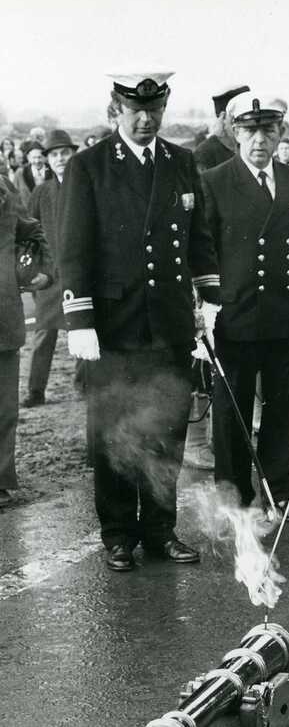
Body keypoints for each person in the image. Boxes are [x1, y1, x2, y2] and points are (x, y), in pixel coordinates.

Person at [58, 70, 221, 572]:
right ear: (117, 110)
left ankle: (159, 529)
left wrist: (209, 299)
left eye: (155, 111)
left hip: (168, 321)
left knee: (167, 430)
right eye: (136, 111)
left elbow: (199, 238)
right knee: (113, 431)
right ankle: (118, 535)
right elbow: (75, 247)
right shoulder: (89, 166)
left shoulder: (181, 161)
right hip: (113, 322)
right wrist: (79, 317)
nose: (147, 120)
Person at [201, 92, 289, 522]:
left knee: (280, 407)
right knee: (232, 411)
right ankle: (234, 497)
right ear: (235, 133)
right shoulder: (215, 181)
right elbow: (203, 251)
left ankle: (276, 490)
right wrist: (204, 308)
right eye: (250, 130)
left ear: (279, 134)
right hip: (235, 317)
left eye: (268, 130)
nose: (260, 139)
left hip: (288, 315)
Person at [0, 178, 52, 507]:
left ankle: (1, 480)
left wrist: (44, 271)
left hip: (3, 321)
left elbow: (35, 231)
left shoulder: (6, 199)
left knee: (4, 409)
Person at [23, 130, 79, 408]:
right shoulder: (41, 192)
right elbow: (29, 233)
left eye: (65, 153)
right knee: (44, 335)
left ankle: (84, 384)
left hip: (80, 276)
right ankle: (36, 391)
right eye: (54, 154)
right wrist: (37, 271)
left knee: (83, 329)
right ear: (46, 160)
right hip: (50, 278)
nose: (60, 159)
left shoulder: (85, 187)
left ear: (73, 155)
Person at [193, 85, 249, 173]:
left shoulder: (247, 148)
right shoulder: (204, 155)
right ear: (223, 117)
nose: (246, 123)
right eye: (238, 118)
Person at [16, 139, 51, 206]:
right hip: (26, 214)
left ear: (45, 157)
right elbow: (14, 195)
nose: (37, 161)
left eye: (39, 157)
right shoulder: (20, 172)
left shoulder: (52, 171)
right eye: (34, 157)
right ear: (28, 158)